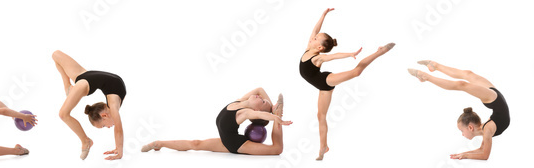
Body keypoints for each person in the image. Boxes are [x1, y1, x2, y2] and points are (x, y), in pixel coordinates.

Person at [297, 8, 395, 160]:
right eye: (314, 37)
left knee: (356, 72)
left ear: (320, 48)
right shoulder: (310, 47)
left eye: (316, 39)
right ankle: (324, 146)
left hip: (324, 80)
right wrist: (323, 15)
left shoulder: (318, 57)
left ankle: (379, 52)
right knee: (320, 116)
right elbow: (316, 29)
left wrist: (350, 54)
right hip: (321, 86)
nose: (313, 37)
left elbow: (334, 56)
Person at [408, 60, 509, 160]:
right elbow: (484, 155)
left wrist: (463, 154)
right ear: (470, 127)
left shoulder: (486, 130)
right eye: (462, 130)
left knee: (468, 74)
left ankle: (435, 65)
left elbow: (482, 150)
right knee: (462, 84)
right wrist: (465, 155)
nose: (462, 134)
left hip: (496, 98)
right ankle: (426, 76)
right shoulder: (487, 131)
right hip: (494, 99)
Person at [142, 88, 290, 155]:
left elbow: (263, 116)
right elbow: (260, 89)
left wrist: (275, 116)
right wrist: (270, 106)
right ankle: (159, 143)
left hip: (237, 145)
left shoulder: (244, 113)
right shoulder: (240, 101)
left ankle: (277, 118)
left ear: (256, 113)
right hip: (227, 140)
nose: (260, 97)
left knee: (276, 150)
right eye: (263, 99)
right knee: (195, 144)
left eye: (262, 102)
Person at [52, 50, 127, 160]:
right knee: (63, 114)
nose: (109, 127)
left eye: (104, 126)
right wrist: (119, 152)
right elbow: (119, 129)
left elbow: (118, 130)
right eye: (104, 126)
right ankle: (85, 140)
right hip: (85, 78)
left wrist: (117, 146)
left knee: (56, 55)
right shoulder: (113, 106)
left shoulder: (112, 103)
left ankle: (69, 89)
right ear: (104, 116)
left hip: (86, 77)